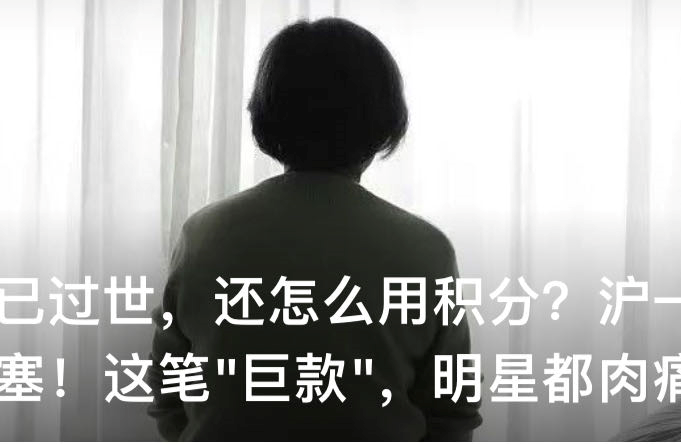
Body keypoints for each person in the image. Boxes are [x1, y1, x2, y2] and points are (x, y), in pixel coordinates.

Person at [147, 17, 481, 441]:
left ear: (268, 114)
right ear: (383, 119)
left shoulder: (204, 235)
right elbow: (451, 412)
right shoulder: (427, 250)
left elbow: (169, 391)